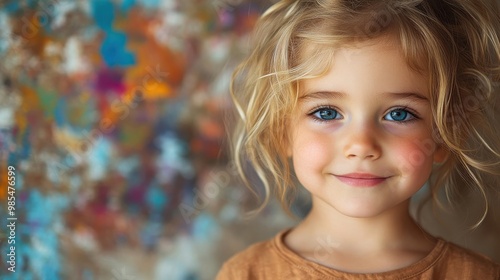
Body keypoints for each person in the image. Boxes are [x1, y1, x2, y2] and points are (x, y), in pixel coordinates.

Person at [217, 0, 500, 279]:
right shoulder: (246, 274)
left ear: (446, 134)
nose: (362, 145)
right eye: (326, 113)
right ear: (281, 130)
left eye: (399, 114)